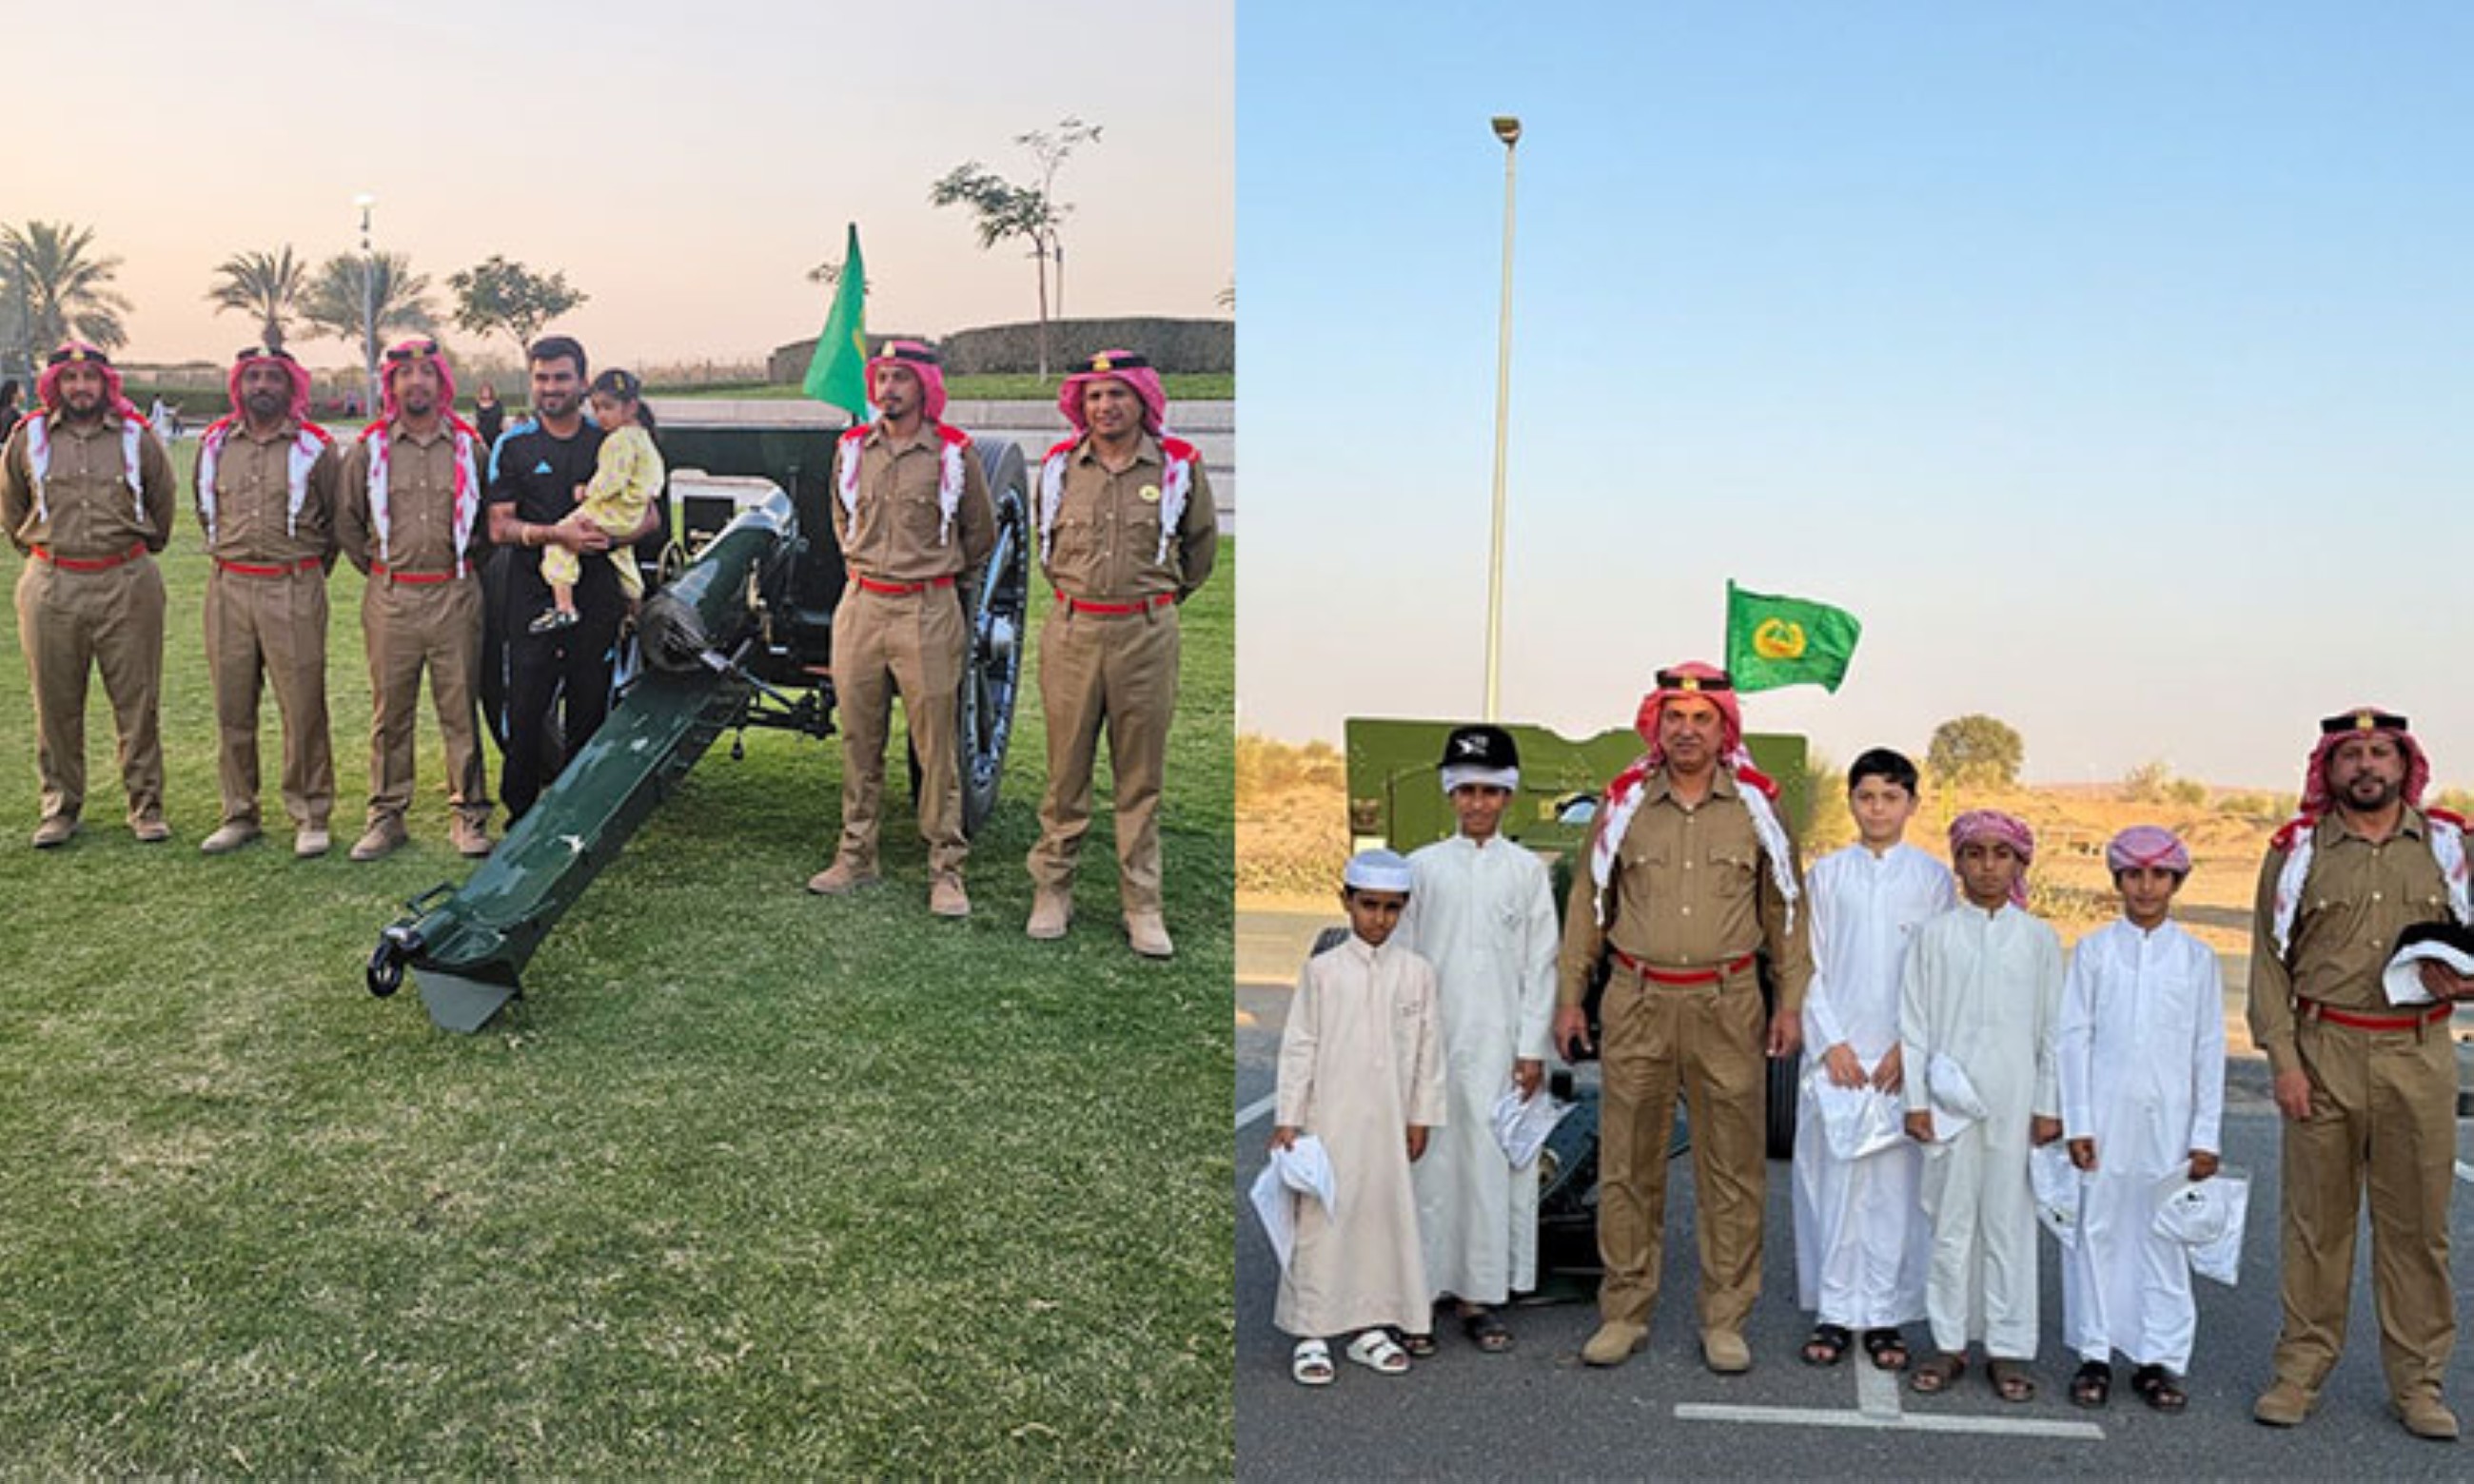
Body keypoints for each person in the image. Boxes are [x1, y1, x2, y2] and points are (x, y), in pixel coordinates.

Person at [1554, 662, 1811, 1373]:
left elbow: (1786, 911)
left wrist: (1789, 1001)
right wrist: (1572, 995)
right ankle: (1625, 1311)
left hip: (1728, 1004)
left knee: (1732, 1170)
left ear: (1724, 727)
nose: (1688, 731)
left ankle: (1725, 1318)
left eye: (1703, 719)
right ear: (1656, 725)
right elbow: (1588, 906)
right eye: (1675, 717)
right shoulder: (1624, 804)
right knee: (1628, 1164)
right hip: (1636, 1000)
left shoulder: (1757, 807)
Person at [2248, 708, 2470, 1440]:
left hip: (2418, 1055)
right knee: (2317, 1226)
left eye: (2381, 753)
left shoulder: (2449, 847)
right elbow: (2268, 965)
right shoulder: (2299, 850)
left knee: (2416, 1232)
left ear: (2406, 765)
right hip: (2325, 1053)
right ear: (2328, 768)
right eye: (2351, 756)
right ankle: (2299, 1371)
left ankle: (2419, 1385)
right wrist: (2284, 1062)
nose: (2366, 766)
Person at [1024, 349, 1219, 956]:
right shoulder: (1060, 466)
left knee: (1140, 779)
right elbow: (1046, 547)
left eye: (1117, 395)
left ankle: (1143, 905)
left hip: (1145, 635)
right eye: (1094, 397)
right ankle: (1052, 890)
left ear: (1142, 400)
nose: (1104, 407)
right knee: (1065, 773)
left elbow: (1199, 551)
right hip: (1075, 631)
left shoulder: (1178, 466)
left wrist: (1152, 602)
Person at [806, 341, 993, 917]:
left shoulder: (953, 456)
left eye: (901, 379)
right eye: (882, 377)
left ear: (925, 388)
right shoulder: (852, 450)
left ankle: (946, 869)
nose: (888, 389)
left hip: (926, 609)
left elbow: (979, 534)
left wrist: (931, 578)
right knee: (860, 739)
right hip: (862, 605)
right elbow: (841, 518)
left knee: (935, 746)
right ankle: (857, 855)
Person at [1791, 747, 1953, 1374]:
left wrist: (1907, 1050)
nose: (1877, 808)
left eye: (1890, 797)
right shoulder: (1827, 876)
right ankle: (1834, 1313)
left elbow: (1933, 974)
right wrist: (1830, 1042)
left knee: (1894, 1192)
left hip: (1897, 1065)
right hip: (1837, 1061)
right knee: (1831, 1186)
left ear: (1912, 804)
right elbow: (1811, 964)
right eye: (1866, 796)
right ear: (1851, 802)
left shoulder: (1934, 881)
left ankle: (1885, 1316)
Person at [1398, 723, 1558, 1355]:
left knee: (1488, 1168)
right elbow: (1404, 960)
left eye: (1490, 792)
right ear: (1449, 794)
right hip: (1431, 1045)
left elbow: (1540, 962)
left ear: (1508, 797)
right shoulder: (1421, 868)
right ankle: (1419, 1294)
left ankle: (1479, 1296)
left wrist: (1529, 1048)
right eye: (1466, 791)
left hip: (1499, 1046)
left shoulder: (1525, 872)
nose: (1477, 804)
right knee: (1430, 1169)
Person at [2056, 825, 2226, 1414]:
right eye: (2134, 874)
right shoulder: (2095, 953)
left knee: (2163, 1237)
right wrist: (2077, 1120)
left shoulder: (2198, 959)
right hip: (2103, 1117)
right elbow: (2072, 1040)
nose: (2146, 886)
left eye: (2158, 875)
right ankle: (2095, 1355)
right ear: (2118, 880)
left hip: (2173, 1124)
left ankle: (2159, 1360)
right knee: (2097, 1230)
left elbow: (2209, 1050)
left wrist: (2205, 1136)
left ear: (2176, 880)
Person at [1898, 809, 2064, 1403]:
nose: (1987, 866)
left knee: (2009, 1225)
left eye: (2001, 854)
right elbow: (1913, 1025)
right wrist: (1916, 1101)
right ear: (1959, 862)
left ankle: (2008, 1347)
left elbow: (2053, 1032)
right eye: (1975, 853)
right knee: (1950, 1225)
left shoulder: (2040, 939)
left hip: (2018, 1105)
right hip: (1947, 1104)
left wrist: (2049, 1106)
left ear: (2021, 863)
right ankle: (1948, 1343)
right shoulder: (1934, 936)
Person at [1270, 848, 1447, 1385]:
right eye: (1368, 905)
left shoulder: (1416, 973)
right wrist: (1288, 1118)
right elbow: (1299, 1046)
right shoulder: (1323, 971)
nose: (1379, 919)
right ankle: (1313, 1333)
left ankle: (1371, 1326)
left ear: (1405, 909)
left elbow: (1428, 1052)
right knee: (1322, 1224)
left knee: (1380, 1220)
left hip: (1390, 1127)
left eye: (1392, 908)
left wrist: (1421, 1117)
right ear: (1345, 901)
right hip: (1329, 1121)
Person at [0, 342, 178, 846]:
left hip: (126, 579)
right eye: (71, 378)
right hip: (52, 583)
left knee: (137, 700)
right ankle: (60, 807)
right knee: (54, 701)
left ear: (107, 384)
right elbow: (13, 512)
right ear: (54, 383)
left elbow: (162, 505)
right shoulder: (27, 437)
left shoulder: (136, 438)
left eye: (91, 378)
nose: (81, 388)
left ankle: (146, 807)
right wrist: (51, 556)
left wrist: (131, 553)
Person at [486, 336, 658, 824]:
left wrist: (610, 537)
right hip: (533, 600)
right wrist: (556, 535)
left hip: (597, 599)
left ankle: (581, 815)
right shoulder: (513, 444)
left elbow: (650, 518)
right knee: (523, 711)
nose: (551, 387)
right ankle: (519, 815)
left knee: (589, 709)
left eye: (562, 377)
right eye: (541, 377)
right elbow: (500, 527)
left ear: (583, 381)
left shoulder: (611, 438)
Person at [335, 336, 494, 861]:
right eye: (406, 374)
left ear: (440, 382)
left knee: (459, 709)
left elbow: (489, 527)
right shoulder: (370, 449)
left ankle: (469, 815)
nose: (416, 382)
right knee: (391, 712)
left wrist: (459, 572)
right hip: (393, 595)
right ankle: (386, 817)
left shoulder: (469, 447)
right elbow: (347, 522)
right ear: (393, 384)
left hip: (454, 593)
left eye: (427, 373)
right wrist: (384, 572)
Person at [192, 345, 344, 858]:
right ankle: (239, 812)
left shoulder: (316, 448)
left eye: (272, 378)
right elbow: (201, 508)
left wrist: (300, 571)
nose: (262, 386)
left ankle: (311, 812)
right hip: (229, 586)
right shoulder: (215, 443)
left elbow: (335, 524)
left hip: (293, 583)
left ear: (291, 386)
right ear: (239, 384)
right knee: (232, 704)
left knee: (302, 704)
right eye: (252, 377)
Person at [530, 368, 660, 635]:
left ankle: (564, 606)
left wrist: (587, 492)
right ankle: (636, 610)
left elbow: (612, 479)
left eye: (608, 407)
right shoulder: (643, 438)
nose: (601, 415)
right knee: (623, 558)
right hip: (632, 514)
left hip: (612, 509)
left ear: (630, 407)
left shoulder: (618, 440)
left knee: (560, 539)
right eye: (597, 408)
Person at [473, 381, 504, 451]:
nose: (485, 393)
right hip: (482, 439)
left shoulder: (498, 404)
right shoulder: (477, 405)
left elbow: (502, 422)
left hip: (496, 437)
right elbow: (476, 422)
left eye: (487, 391)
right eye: (483, 391)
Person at [0, 378, 23, 446]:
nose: (23, 391)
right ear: (14, 394)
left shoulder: (6, 411)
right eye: (21, 388)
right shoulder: (12, 414)